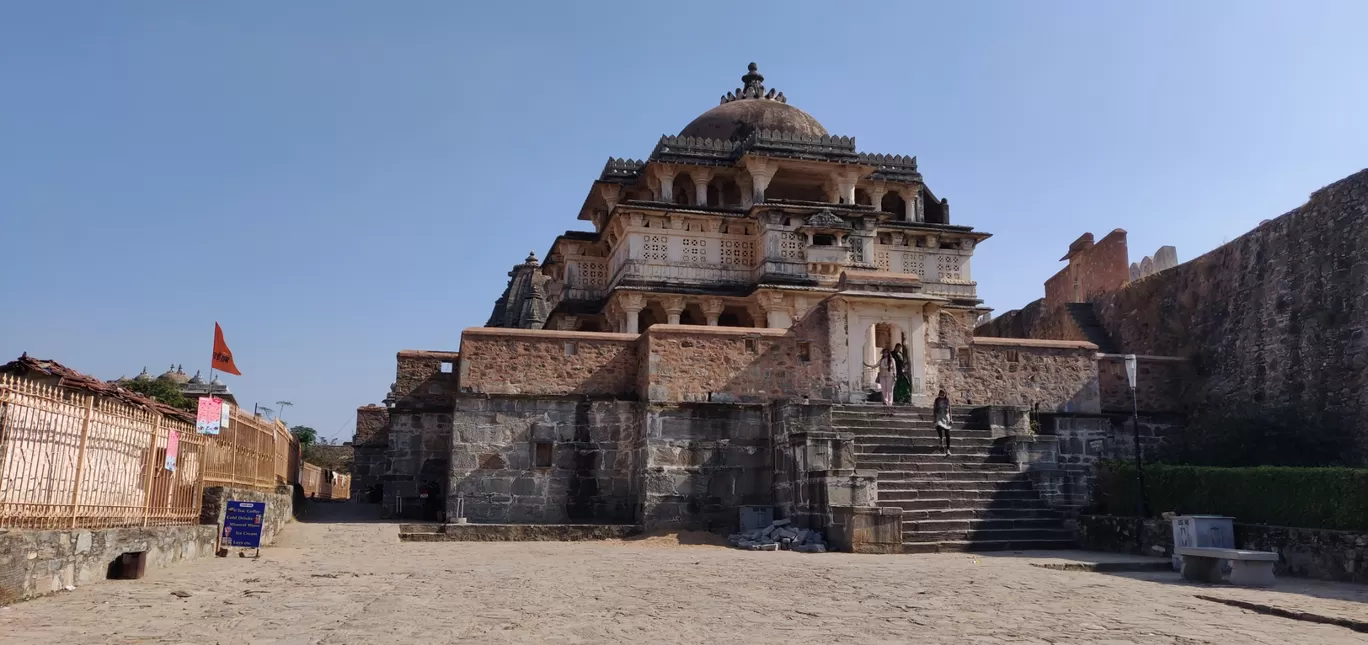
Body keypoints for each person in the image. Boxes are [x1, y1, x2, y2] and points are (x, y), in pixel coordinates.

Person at [933, 389, 953, 456]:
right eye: (941, 394)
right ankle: (941, 439)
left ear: (945, 394)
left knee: (947, 434)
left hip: (946, 417)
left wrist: (951, 419)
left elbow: (950, 410)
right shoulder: (937, 400)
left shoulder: (947, 400)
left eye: (943, 394)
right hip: (939, 416)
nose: (942, 395)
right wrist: (934, 418)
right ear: (939, 394)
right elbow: (934, 409)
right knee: (938, 426)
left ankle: (948, 450)